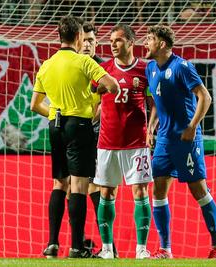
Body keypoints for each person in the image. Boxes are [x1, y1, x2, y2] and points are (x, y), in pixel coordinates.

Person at [30, 15, 119, 258]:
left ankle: (51, 244)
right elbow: (113, 86)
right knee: (80, 185)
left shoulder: (47, 64)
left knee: (60, 183)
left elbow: (34, 104)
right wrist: (93, 94)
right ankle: (77, 246)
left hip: (55, 125)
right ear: (79, 37)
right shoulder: (84, 63)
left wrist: (57, 114)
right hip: (80, 125)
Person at [144, 25, 216, 259]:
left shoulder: (182, 67)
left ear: (161, 44)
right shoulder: (151, 68)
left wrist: (193, 125)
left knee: (199, 190)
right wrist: (151, 125)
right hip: (164, 140)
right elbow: (158, 101)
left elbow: (205, 97)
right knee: (158, 190)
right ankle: (165, 249)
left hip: (186, 139)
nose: (146, 43)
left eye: (150, 39)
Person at [93, 24, 153, 259]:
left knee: (140, 192)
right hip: (107, 142)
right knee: (106, 193)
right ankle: (107, 250)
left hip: (136, 143)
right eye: (110, 41)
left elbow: (154, 104)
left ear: (130, 42)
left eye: (118, 40)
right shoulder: (103, 69)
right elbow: (95, 101)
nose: (113, 45)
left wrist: (152, 128)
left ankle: (141, 249)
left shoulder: (145, 70)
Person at [79, 21, 118, 258]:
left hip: (97, 136)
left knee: (99, 188)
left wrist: (95, 114)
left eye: (91, 40)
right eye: (83, 40)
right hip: (74, 134)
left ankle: (108, 246)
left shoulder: (104, 68)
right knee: (74, 187)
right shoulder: (71, 66)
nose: (87, 44)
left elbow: (112, 99)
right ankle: (80, 242)